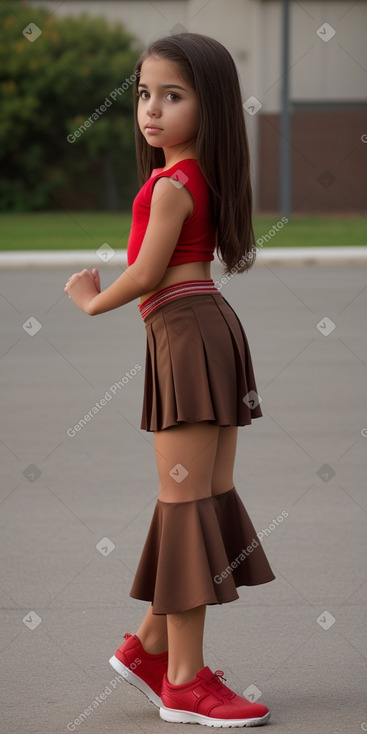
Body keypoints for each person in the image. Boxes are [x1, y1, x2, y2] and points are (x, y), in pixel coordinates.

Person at [64, 32, 275, 728]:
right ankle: (152, 650)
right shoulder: (197, 176)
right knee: (199, 505)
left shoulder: (170, 185)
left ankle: (181, 681)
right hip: (204, 331)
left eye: (172, 96)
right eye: (144, 94)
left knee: (188, 512)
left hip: (188, 337)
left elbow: (148, 273)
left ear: (207, 107)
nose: (150, 109)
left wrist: (92, 299)